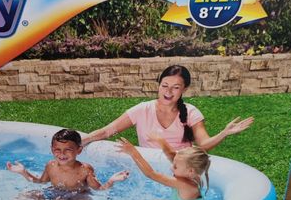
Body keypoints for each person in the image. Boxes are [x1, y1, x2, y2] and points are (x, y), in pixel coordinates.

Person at [81, 64, 253, 151]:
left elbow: (204, 144)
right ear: (159, 85)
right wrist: (80, 142)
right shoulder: (142, 110)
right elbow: (108, 131)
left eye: (175, 87)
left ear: (184, 89)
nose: (168, 92)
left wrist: (224, 133)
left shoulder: (191, 112)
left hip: (180, 170)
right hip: (149, 170)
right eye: (165, 85)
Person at [6, 128, 129, 200]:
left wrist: (112, 180)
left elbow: (99, 189)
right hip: (55, 193)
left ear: (79, 150)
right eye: (57, 150)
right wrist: (23, 172)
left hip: (78, 198)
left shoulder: (85, 169)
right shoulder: (51, 165)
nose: (62, 154)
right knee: (24, 197)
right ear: (52, 149)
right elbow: (41, 182)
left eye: (68, 150)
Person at [117, 136, 210, 200]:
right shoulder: (195, 175)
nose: (171, 167)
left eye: (175, 167)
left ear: (190, 171)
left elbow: (151, 174)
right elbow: (172, 156)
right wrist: (161, 141)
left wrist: (133, 152)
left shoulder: (184, 185)